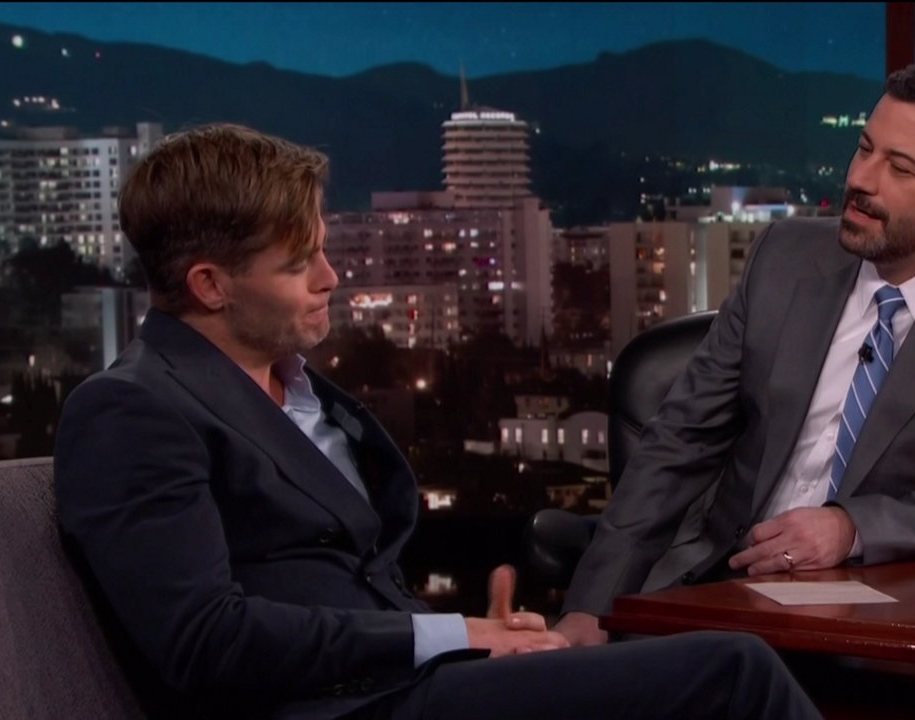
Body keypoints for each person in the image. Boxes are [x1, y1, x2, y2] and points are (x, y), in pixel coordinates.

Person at [53, 123, 823, 720]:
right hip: (335, 710)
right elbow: (206, 641)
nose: (331, 277)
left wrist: (480, 642)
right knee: (733, 671)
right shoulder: (133, 411)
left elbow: (356, 585)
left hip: (406, 688)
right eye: (297, 264)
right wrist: (451, 637)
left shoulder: (301, 391)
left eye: (322, 251)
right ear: (210, 285)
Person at [556, 60, 915, 647]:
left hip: (881, 610)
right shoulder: (783, 257)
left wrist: (849, 528)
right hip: (715, 584)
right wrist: (590, 609)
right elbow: (679, 442)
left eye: (900, 168)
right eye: (864, 148)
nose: (861, 179)